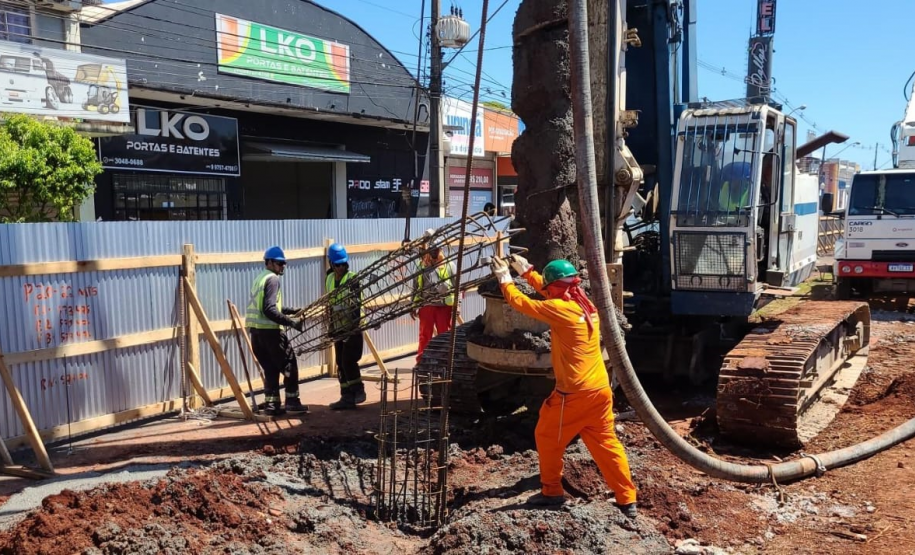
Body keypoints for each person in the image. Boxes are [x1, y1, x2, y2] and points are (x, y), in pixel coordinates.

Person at [489, 253, 638, 519]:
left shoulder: (560, 310)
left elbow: (520, 302)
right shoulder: (584, 305)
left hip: (574, 394)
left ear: (554, 287)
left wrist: (505, 279)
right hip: (600, 391)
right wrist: (528, 271)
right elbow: (553, 294)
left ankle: (552, 492)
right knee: (607, 444)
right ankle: (627, 499)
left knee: (546, 437)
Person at [245, 246, 308, 416]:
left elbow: (267, 306)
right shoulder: (273, 279)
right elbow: (269, 310)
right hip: (271, 333)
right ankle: (292, 402)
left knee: (271, 368)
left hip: (257, 334)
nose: (282, 267)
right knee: (289, 365)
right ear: (270, 262)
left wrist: (289, 310)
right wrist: (291, 322)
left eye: (284, 264)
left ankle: (272, 406)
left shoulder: (260, 278)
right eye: (280, 263)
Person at [325, 243, 367, 410]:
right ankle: (346, 397)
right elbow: (330, 304)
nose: (340, 267)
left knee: (348, 360)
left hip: (353, 328)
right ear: (331, 263)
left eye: (343, 264)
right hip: (338, 328)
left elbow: (357, 307)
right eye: (337, 264)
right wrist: (331, 327)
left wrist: (352, 328)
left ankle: (358, 391)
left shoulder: (352, 279)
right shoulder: (329, 278)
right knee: (340, 363)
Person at [412, 230, 457, 362]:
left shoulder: (449, 265)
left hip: (443, 306)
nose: (433, 253)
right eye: (431, 250)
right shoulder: (422, 266)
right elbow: (415, 287)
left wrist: (457, 306)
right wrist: (413, 306)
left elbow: (458, 287)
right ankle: (422, 361)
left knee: (444, 335)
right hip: (426, 306)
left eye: (436, 250)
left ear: (440, 250)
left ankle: (444, 361)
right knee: (424, 336)